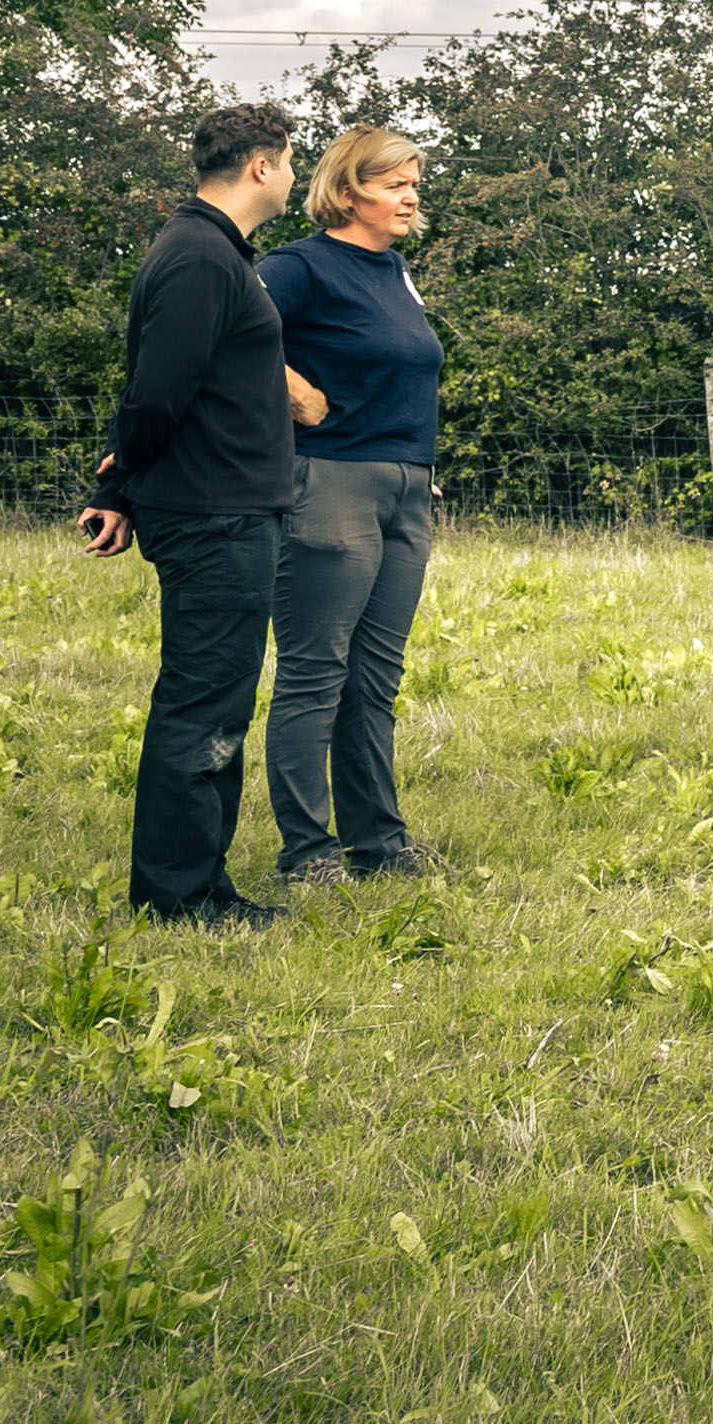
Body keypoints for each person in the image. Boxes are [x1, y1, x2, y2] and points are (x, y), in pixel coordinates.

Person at [80, 103, 307, 928]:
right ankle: (177, 897)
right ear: (259, 165)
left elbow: (153, 383)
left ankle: (202, 883)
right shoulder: (201, 257)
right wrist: (126, 480)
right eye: (288, 161)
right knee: (203, 702)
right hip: (214, 513)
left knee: (218, 696)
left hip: (225, 507)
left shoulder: (210, 252)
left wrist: (119, 488)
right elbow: (156, 392)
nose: (293, 176)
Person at [262, 124, 445, 887]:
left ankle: (379, 841)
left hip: (406, 487)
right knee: (315, 672)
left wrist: (411, 461)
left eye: (413, 183)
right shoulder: (297, 266)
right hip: (328, 483)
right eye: (393, 183)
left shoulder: (396, 269)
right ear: (345, 190)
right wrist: (294, 391)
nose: (410, 196)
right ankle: (308, 853)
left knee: (375, 677)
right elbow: (225, 337)